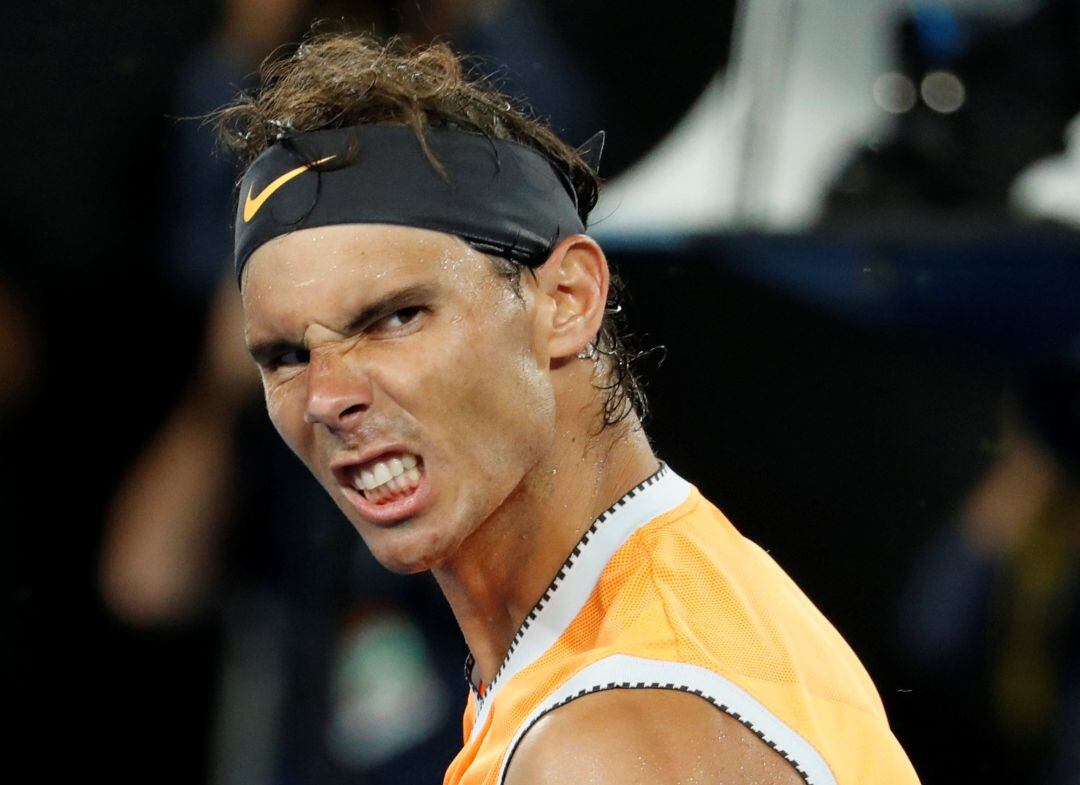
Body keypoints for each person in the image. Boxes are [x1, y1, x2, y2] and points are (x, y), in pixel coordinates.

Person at [214, 31, 920, 785]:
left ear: (567, 300)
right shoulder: (667, 613)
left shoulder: (607, 739)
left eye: (397, 317)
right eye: (287, 356)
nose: (327, 397)